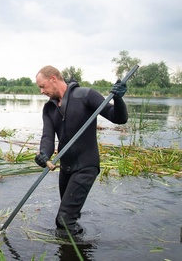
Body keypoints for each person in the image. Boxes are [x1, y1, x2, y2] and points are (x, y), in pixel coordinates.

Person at [34, 65, 128, 237]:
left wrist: (119, 99)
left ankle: (76, 250)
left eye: (42, 86)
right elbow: (47, 137)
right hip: (66, 168)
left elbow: (119, 118)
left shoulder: (86, 96)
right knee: (69, 217)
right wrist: (43, 155)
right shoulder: (49, 108)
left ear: (53, 79)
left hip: (86, 166)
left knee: (64, 220)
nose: (41, 91)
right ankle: (76, 248)